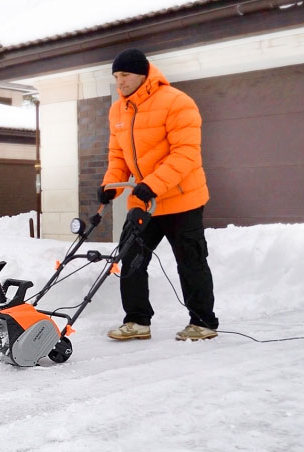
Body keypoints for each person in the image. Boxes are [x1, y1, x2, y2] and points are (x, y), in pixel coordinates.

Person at [97, 48, 219, 341]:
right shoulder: (118, 110)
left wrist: (153, 183)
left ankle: (203, 322)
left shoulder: (177, 102)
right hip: (144, 200)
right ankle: (137, 321)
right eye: (116, 76)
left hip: (182, 198)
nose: (120, 82)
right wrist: (111, 185)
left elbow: (185, 153)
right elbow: (118, 156)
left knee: (190, 261)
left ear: (143, 73)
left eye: (125, 75)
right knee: (131, 259)